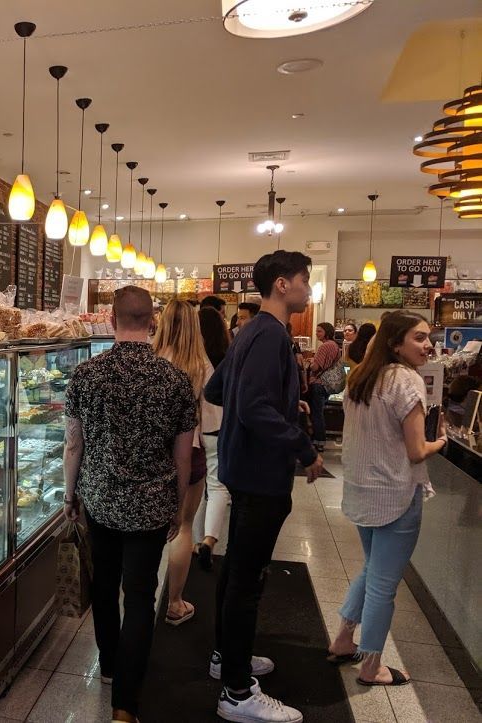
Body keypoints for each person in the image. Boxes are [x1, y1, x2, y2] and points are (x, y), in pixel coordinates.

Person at [63, 285, 196, 723]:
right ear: (152, 321)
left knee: (104, 584)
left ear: (111, 320)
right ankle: (125, 705)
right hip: (151, 505)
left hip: (100, 500)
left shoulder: (86, 375)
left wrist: (69, 495)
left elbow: (73, 445)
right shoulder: (174, 380)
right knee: (140, 596)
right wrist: (178, 506)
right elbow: (183, 455)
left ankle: (108, 665)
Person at [205, 250, 323, 723]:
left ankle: (226, 656)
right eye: (304, 280)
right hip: (260, 472)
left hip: (243, 468)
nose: (308, 289)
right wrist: (304, 447)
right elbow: (252, 406)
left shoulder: (250, 331)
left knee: (237, 569)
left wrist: (286, 405)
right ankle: (236, 691)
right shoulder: (271, 334)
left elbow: (218, 391)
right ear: (281, 284)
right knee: (247, 580)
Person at [326, 312, 446, 686]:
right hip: (397, 495)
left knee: (373, 569)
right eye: (419, 338)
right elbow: (416, 451)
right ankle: (371, 666)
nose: (428, 345)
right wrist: (440, 441)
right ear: (395, 344)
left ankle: (343, 640)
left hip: (363, 492)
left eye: (428, 337)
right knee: (383, 584)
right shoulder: (406, 381)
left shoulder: (362, 377)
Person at [154, 300, 210, 623]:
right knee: (183, 526)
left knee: (149, 530)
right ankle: (175, 603)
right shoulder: (200, 365)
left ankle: (141, 601)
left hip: (151, 454)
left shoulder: (151, 358)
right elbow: (212, 418)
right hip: (191, 451)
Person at [194, 306, 230, 571]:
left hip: (198, 430)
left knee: (197, 488)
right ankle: (209, 539)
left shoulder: (194, 359)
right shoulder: (228, 358)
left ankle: (196, 541)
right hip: (221, 427)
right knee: (218, 486)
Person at [305, 323, 341, 453]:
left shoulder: (324, 346)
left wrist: (310, 363)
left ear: (327, 332)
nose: (317, 333)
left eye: (319, 331)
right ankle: (320, 440)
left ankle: (318, 440)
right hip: (328, 384)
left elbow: (316, 367)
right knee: (319, 412)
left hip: (318, 382)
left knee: (316, 413)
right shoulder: (335, 346)